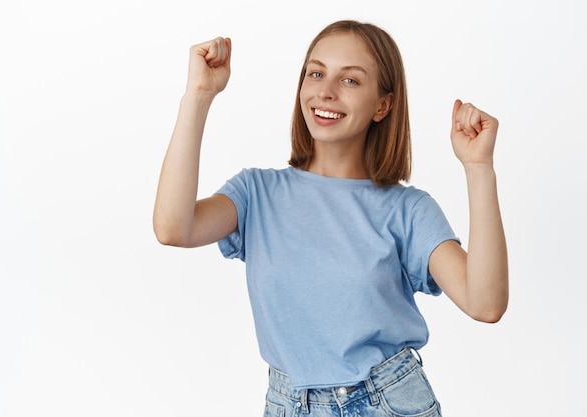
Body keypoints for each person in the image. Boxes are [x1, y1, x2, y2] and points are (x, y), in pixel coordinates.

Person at [153, 20, 508, 417]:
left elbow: (485, 303)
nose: (325, 91)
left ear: (383, 105)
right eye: (316, 73)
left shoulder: (408, 210)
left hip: (385, 402)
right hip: (287, 403)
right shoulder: (257, 193)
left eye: (351, 80)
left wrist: (478, 168)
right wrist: (198, 95)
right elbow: (172, 228)